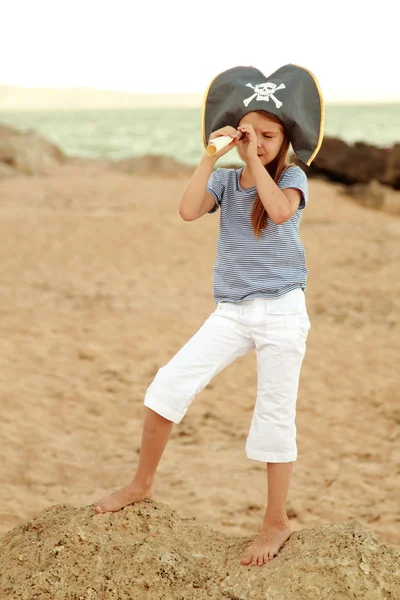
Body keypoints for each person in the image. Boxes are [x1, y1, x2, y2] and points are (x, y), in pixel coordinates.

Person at [94, 64, 324, 567]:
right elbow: (187, 210)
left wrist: (254, 161)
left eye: (268, 135)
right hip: (233, 312)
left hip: (283, 310)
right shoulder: (226, 180)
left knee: (273, 415)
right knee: (167, 385)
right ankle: (141, 484)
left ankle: (275, 521)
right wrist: (211, 156)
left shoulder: (290, 176)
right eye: (251, 134)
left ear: (284, 139)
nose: (257, 143)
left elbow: (280, 212)